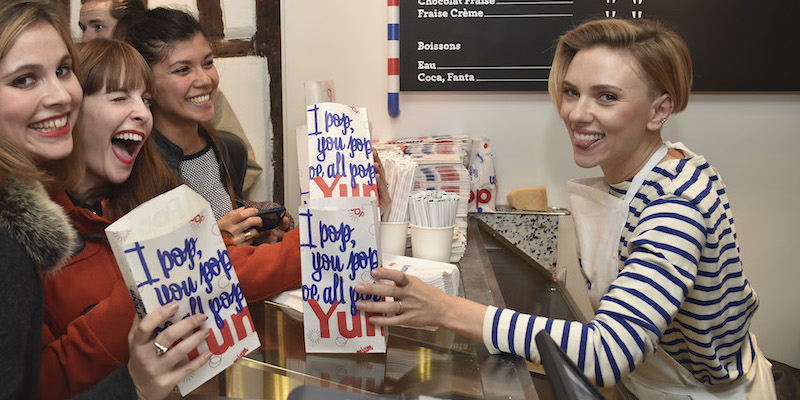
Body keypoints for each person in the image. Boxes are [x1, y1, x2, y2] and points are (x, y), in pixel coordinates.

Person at [355, 18, 777, 398]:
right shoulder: (634, 177)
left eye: (606, 97)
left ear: (659, 110)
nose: (577, 113)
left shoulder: (676, 203)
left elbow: (607, 353)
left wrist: (446, 309)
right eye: (571, 92)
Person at [37, 38, 304, 399]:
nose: (144, 114)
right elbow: (37, 382)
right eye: (119, 98)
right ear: (70, 112)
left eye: (145, 100)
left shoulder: (151, 196)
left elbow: (235, 272)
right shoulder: (27, 240)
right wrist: (136, 300)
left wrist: (332, 232)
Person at [0, 1, 209, 399]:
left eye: (63, 71)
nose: (60, 95)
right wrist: (136, 386)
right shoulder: (12, 243)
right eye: (25, 79)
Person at [78, 0, 268, 200]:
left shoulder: (230, 151)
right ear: (145, 80)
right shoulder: (129, 164)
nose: (204, 80)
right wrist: (215, 232)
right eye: (182, 70)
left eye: (208, 63)